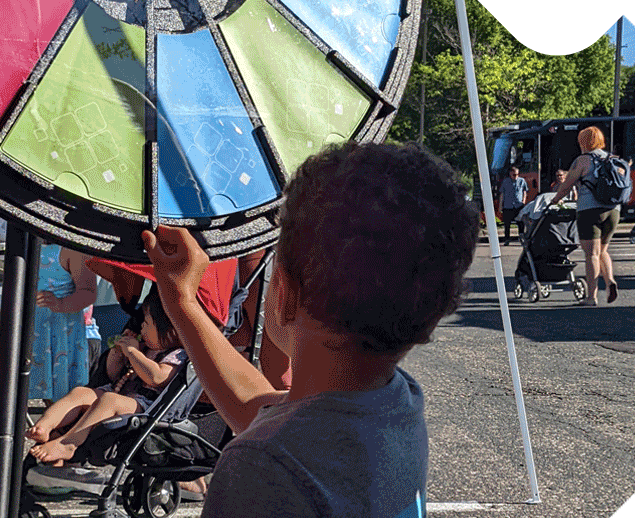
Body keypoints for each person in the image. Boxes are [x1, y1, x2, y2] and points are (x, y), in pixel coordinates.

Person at [141, 142, 478, 518]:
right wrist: (182, 303)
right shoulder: (396, 403)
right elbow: (263, 410)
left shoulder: (259, 472)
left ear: (283, 292)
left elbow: (273, 434)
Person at [27, 291, 185, 463]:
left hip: (145, 406)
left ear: (169, 330)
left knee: (109, 399)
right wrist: (118, 354)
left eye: (146, 324)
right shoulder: (145, 347)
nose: (141, 327)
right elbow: (112, 375)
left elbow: (157, 377)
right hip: (120, 394)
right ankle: (45, 425)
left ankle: (69, 443)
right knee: (81, 393)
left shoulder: (177, 354)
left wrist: (133, 352)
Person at [549, 126, 622, 306]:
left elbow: (567, 184)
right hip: (613, 211)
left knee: (591, 254)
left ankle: (592, 297)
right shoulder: (613, 159)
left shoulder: (582, 160)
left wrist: (556, 199)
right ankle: (610, 280)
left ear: (583, 142)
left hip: (590, 210)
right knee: (602, 250)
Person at [30, 244, 96, 404]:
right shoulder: (27, 241)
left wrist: (60, 304)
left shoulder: (71, 248)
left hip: (62, 337)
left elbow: (88, 292)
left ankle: (59, 427)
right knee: (45, 395)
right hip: (34, 333)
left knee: (64, 398)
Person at [499, 165, 528, 245]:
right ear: (510, 174)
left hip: (519, 205)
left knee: (521, 223)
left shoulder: (522, 181)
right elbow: (502, 194)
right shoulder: (505, 182)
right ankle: (507, 239)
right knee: (507, 224)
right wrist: (500, 206)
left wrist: (523, 201)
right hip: (508, 206)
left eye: (517, 174)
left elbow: (524, 191)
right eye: (514, 175)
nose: (516, 176)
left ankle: (521, 239)